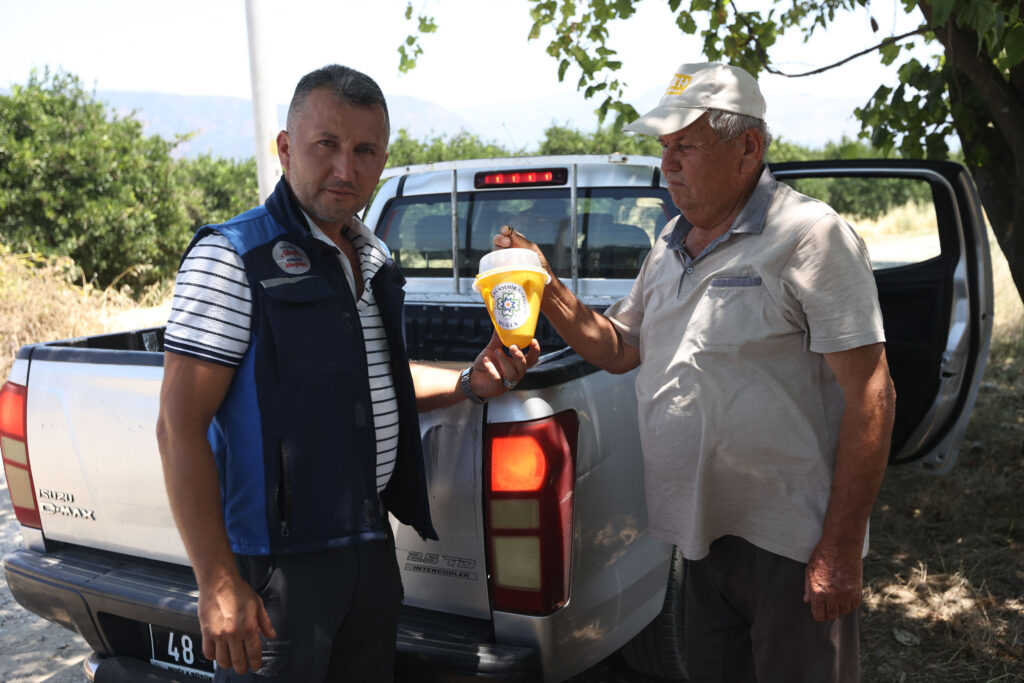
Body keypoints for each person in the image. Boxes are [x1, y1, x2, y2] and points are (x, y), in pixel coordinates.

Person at [493, 61, 896, 682]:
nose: (668, 164)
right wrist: (547, 288)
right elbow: (620, 346)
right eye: (664, 147)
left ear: (749, 148)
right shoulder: (671, 242)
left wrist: (840, 549)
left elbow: (872, 393)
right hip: (699, 536)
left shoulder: (810, 237)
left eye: (686, 146)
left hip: (789, 544)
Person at [156, 64, 538, 682]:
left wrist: (470, 382)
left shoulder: (370, 256)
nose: (345, 168)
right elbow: (178, 426)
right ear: (286, 149)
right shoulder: (232, 256)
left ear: (382, 160)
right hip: (279, 567)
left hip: (369, 548)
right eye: (326, 145)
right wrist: (218, 582)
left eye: (364, 151)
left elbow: (374, 381)